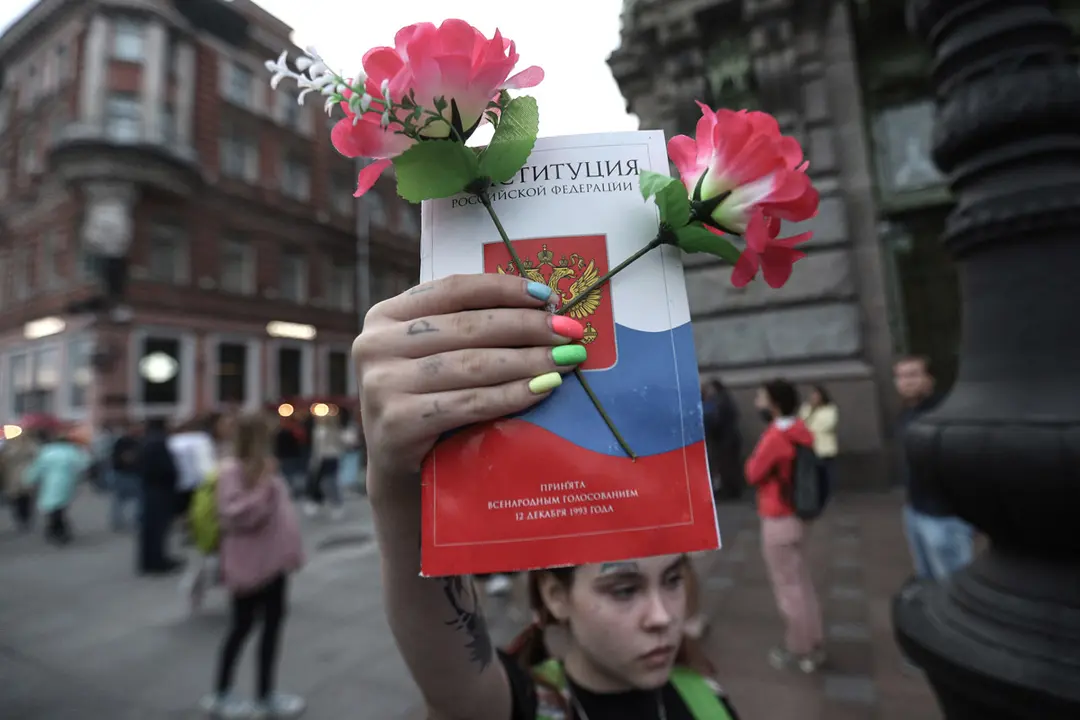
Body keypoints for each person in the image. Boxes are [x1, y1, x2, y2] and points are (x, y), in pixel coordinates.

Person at [353, 273, 741, 720]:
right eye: (623, 589)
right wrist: (396, 482)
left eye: (672, 580)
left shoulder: (708, 696)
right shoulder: (529, 706)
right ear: (555, 596)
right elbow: (453, 682)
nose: (662, 617)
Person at [200, 413, 305, 720]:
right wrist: (264, 487)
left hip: (273, 562)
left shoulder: (265, 468)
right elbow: (235, 516)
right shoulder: (233, 470)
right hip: (248, 563)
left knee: (272, 629)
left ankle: (265, 694)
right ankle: (221, 694)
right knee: (241, 627)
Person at [746, 379, 825, 673]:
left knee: (788, 588)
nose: (757, 402)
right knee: (801, 582)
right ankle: (813, 639)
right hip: (799, 516)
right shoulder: (800, 430)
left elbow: (752, 473)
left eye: (760, 397)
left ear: (774, 404)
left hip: (778, 516)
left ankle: (800, 649)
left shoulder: (775, 437)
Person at [894, 355, 973, 581]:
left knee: (954, 584)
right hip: (914, 510)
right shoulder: (906, 413)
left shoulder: (947, 412)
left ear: (930, 379)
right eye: (900, 376)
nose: (906, 382)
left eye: (913, 375)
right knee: (928, 581)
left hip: (944, 516)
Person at [23, 426, 91, 545]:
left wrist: (29, 480)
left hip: (49, 481)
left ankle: (56, 530)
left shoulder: (46, 452)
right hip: (67, 481)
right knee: (60, 506)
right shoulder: (72, 451)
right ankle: (59, 530)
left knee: (51, 506)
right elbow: (84, 463)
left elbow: (37, 467)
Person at [137, 417, 184, 575]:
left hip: (150, 488)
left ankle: (148, 561)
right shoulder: (159, 442)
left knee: (150, 529)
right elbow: (167, 468)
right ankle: (158, 561)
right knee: (159, 528)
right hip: (160, 491)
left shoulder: (147, 441)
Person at [701, 379, 744, 501]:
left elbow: (715, 421)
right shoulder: (725, 399)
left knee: (726, 466)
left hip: (724, 439)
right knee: (730, 465)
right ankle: (732, 489)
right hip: (729, 438)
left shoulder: (718, 402)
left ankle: (729, 490)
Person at [798, 384, 839, 503]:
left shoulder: (830, 409)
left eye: (816, 395)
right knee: (812, 475)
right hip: (811, 448)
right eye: (812, 395)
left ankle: (827, 496)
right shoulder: (806, 408)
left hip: (825, 449)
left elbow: (826, 425)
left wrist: (810, 428)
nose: (814, 398)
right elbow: (800, 423)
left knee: (826, 475)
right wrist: (810, 412)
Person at [304, 412, 345, 520]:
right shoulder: (317, 430)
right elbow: (316, 447)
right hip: (320, 458)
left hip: (331, 457)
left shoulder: (334, 430)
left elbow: (340, 443)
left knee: (330, 481)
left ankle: (336, 504)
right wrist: (314, 459)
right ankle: (315, 502)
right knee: (316, 480)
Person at [2, 429, 40, 532]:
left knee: (25, 498)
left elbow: (37, 457)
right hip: (13, 476)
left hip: (26, 474)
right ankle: (22, 518)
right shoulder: (9, 447)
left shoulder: (30, 445)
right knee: (16, 499)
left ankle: (25, 518)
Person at [110, 423, 143, 532]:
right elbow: (120, 458)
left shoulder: (137, 441)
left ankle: (133, 521)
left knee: (134, 499)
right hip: (123, 473)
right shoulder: (123, 442)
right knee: (121, 499)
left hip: (133, 473)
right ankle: (118, 521)